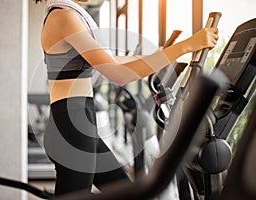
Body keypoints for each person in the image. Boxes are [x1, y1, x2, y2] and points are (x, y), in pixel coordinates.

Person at [36, 0, 219, 197]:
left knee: (127, 191)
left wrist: (159, 56)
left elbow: (114, 62)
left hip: (78, 122)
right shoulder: (63, 16)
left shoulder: (67, 14)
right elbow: (119, 73)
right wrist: (187, 46)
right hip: (72, 127)